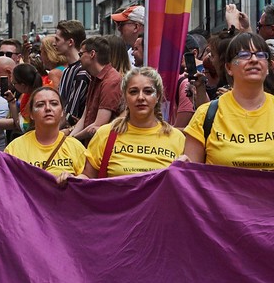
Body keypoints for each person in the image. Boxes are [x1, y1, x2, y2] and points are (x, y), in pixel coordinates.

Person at [183, 32, 274, 170]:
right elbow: (190, 180)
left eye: (261, 55)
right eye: (244, 55)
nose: (254, 59)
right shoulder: (206, 115)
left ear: (269, 66)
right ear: (229, 68)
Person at [84, 67, 185, 178]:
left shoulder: (177, 138)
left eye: (148, 91)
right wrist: (68, 178)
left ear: (158, 96)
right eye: (133, 92)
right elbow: (87, 180)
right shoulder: (105, 134)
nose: (140, 97)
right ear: (125, 97)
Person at [4, 86, 85, 184]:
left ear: (62, 112)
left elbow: (87, 180)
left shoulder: (75, 147)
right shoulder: (15, 148)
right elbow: (6, 184)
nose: (48, 108)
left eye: (54, 104)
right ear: (31, 114)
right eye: (40, 105)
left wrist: (74, 179)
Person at [66, 36, 123, 144]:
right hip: (91, 144)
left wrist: (72, 140)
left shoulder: (111, 81)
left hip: (102, 147)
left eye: (81, 54)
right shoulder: (94, 78)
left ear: (92, 54)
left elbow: (98, 125)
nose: (79, 59)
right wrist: (70, 139)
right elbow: (84, 117)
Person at [54, 20, 91, 127]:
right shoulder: (66, 70)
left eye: (57, 39)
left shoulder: (82, 71)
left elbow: (71, 114)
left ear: (70, 42)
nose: (54, 43)